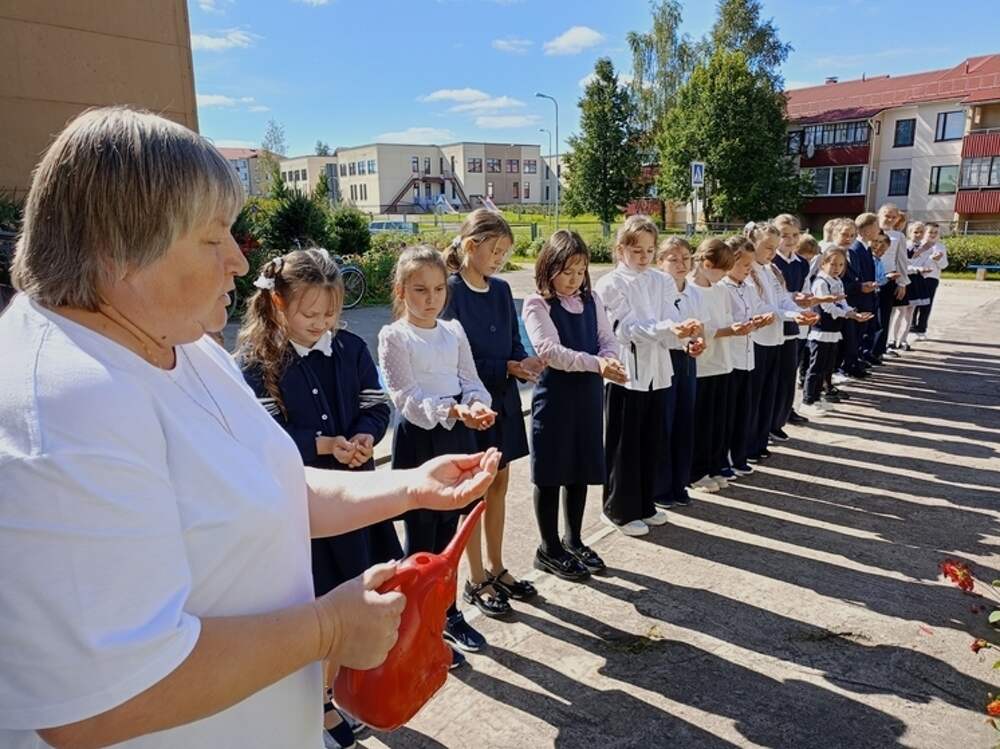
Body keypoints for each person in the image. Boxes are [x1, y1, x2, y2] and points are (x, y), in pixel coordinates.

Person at [0, 106, 500, 749]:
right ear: (119, 250)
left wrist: (407, 487)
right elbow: (101, 702)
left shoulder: (181, 341)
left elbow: (274, 485)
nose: (239, 261)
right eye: (214, 239)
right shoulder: (62, 408)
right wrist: (327, 630)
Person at [236, 248, 397, 748]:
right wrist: (323, 446)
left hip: (356, 497)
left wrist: (366, 436)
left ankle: (344, 687)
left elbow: (376, 404)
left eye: (331, 314)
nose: (323, 324)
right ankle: (319, 704)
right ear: (278, 304)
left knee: (356, 593)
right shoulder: (256, 362)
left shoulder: (350, 348)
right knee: (316, 606)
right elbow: (263, 437)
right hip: (303, 508)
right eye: (310, 314)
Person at [378, 245, 498, 664]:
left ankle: (447, 614)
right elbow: (406, 398)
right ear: (401, 291)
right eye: (419, 290)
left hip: (458, 437)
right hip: (421, 441)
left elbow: (471, 380)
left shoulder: (454, 331)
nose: (431, 299)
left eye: (437, 289)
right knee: (421, 538)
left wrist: (477, 405)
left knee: (451, 534)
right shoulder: (394, 336)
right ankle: (415, 626)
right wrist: (452, 411)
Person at [441, 209, 544, 616]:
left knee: (499, 485)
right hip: (472, 408)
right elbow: (454, 361)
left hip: (503, 402)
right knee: (473, 494)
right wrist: (506, 366)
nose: (500, 259)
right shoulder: (449, 291)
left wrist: (524, 362)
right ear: (471, 245)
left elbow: (514, 341)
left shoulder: (501, 290)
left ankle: (497, 567)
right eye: (495, 251)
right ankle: (475, 578)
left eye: (505, 252)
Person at [521, 230, 626, 579]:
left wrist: (610, 359)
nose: (574, 279)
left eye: (580, 272)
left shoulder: (592, 299)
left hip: (587, 397)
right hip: (555, 400)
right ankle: (548, 548)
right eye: (567, 272)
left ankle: (574, 540)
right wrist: (598, 363)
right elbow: (550, 351)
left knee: (580, 470)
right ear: (548, 267)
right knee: (551, 474)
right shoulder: (537, 304)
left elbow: (607, 339)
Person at [594, 215, 702, 536]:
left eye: (650, 250)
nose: (644, 257)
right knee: (624, 444)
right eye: (636, 250)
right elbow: (625, 329)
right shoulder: (610, 283)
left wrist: (685, 337)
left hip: (659, 370)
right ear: (620, 250)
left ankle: (644, 504)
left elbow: (670, 317)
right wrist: (670, 329)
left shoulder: (661, 280)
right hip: (626, 372)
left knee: (652, 440)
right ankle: (617, 509)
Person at [686, 238, 753, 492]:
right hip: (703, 365)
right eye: (721, 269)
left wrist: (737, 327)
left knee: (719, 422)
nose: (724, 275)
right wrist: (729, 330)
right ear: (705, 263)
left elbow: (724, 321)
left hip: (723, 362)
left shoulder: (720, 289)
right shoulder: (691, 289)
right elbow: (702, 329)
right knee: (701, 423)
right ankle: (696, 472)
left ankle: (715, 465)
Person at [656, 236, 708, 505]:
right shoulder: (657, 292)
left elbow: (700, 329)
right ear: (660, 262)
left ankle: (679, 483)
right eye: (673, 259)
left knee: (685, 421)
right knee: (664, 422)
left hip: (687, 360)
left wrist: (699, 343)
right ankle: (661, 487)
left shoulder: (694, 292)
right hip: (664, 358)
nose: (681, 264)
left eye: (686, 258)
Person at [719, 236, 776, 477]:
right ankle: (725, 459)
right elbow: (723, 322)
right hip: (730, 359)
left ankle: (739, 455)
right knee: (729, 413)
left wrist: (764, 318)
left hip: (747, 357)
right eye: (744, 265)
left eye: (750, 265)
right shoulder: (722, 288)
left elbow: (758, 310)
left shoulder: (748, 288)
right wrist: (741, 326)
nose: (748, 270)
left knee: (744, 410)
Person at [801, 248, 872, 417]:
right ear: (823, 264)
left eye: (841, 265)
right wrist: (847, 314)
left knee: (828, 367)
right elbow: (827, 307)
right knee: (816, 367)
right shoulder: (820, 282)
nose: (837, 268)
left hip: (834, 330)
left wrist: (854, 314)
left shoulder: (837, 281)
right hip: (821, 330)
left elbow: (843, 303)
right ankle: (808, 400)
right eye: (832, 264)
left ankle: (818, 398)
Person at [771, 214, 813, 428]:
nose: (791, 240)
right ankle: (774, 415)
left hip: (797, 321)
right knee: (777, 373)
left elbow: (805, 287)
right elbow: (775, 296)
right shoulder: (772, 262)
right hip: (778, 322)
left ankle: (786, 410)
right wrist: (794, 297)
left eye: (795, 235)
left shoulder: (801, 263)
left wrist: (807, 299)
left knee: (791, 370)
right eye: (785, 235)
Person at [875, 203, 910, 358]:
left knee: (884, 316)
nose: (889, 219)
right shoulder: (872, 232)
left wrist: (902, 282)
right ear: (879, 215)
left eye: (893, 217)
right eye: (887, 216)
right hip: (870, 278)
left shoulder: (898, 236)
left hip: (889, 278)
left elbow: (901, 260)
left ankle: (879, 350)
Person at [908, 221, 948, 341]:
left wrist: (938, 259)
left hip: (932, 278)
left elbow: (944, 265)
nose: (933, 235)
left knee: (926, 304)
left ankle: (921, 328)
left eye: (936, 232)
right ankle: (911, 326)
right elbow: (911, 261)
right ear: (924, 232)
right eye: (930, 232)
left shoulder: (940, 247)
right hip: (917, 277)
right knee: (914, 303)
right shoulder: (918, 246)